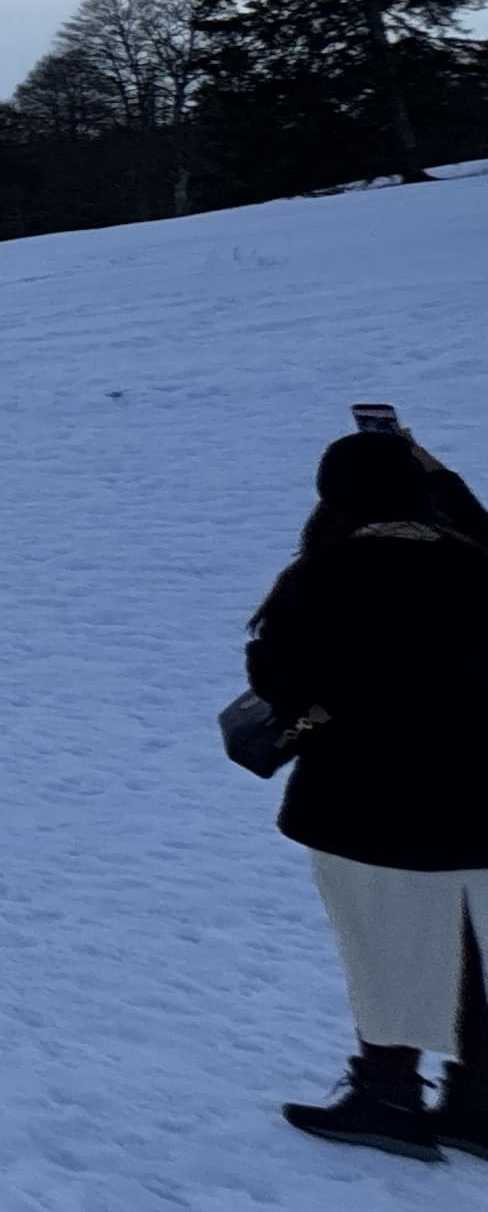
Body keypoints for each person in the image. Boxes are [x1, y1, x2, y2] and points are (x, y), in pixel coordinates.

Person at [243, 418, 488, 1159]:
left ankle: (388, 1092)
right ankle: (478, 1103)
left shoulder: (328, 574)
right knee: (475, 945)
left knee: (388, 947)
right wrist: (438, 475)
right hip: (480, 798)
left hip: (368, 800)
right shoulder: (476, 563)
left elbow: (281, 680)